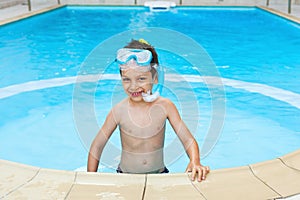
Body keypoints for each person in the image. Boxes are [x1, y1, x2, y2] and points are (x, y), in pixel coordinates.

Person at [87, 39, 210, 182]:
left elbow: (187, 139)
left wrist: (195, 161)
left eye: (141, 79)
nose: (133, 86)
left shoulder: (165, 106)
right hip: (125, 177)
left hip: (159, 175)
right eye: (126, 79)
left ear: (155, 78)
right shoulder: (119, 111)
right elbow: (97, 146)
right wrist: (90, 178)